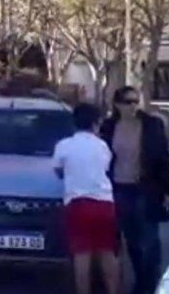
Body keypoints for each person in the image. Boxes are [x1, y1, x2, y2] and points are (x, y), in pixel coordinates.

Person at [100, 86, 169, 294]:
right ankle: (137, 281)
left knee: (149, 241)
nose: (133, 106)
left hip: (145, 188)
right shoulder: (108, 126)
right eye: (128, 102)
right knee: (130, 241)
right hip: (117, 189)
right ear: (117, 104)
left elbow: (163, 158)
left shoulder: (151, 125)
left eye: (136, 101)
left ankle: (148, 286)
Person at [53, 103, 119, 294]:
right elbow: (106, 168)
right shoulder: (102, 146)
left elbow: (58, 171)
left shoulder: (64, 146)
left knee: (82, 254)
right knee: (107, 251)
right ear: (96, 123)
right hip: (104, 203)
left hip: (77, 202)